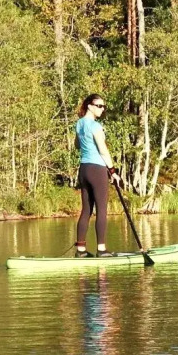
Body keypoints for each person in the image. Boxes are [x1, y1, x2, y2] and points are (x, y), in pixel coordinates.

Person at [73, 94, 114, 257]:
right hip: (97, 169)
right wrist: (112, 171)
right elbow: (103, 150)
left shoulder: (79, 123)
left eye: (103, 106)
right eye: (99, 106)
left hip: (84, 169)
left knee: (86, 210)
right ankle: (102, 249)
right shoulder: (96, 126)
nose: (102, 109)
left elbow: (77, 145)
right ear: (89, 106)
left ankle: (81, 250)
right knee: (102, 210)